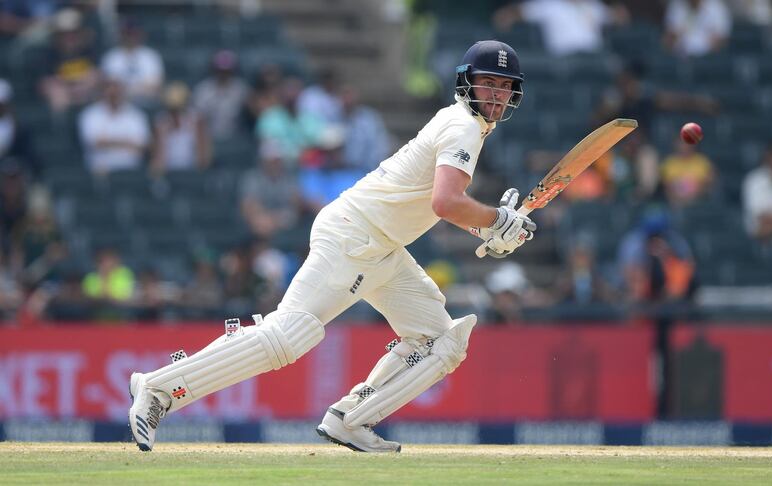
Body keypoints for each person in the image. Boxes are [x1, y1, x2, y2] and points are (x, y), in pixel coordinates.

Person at [128, 40, 536, 453]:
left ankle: (351, 420)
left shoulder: (464, 124)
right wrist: (497, 221)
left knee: (439, 340)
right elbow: (445, 203)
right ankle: (158, 388)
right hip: (354, 236)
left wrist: (488, 228)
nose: (498, 94)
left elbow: (428, 200)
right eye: (489, 83)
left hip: (383, 247)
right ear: (467, 83)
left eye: (505, 85)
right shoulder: (463, 125)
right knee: (289, 336)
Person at [492, 0, 629, 57]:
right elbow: (518, 12)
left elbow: (619, 18)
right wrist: (506, 16)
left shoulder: (593, 5)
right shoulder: (550, 4)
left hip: (592, 59)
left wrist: (619, 13)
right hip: (564, 60)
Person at [78, 77, 151, 177]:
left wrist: (108, 142)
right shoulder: (90, 114)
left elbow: (143, 145)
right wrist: (127, 142)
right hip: (100, 172)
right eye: (110, 90)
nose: (114, 94)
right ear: (103, 92)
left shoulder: (137, 115)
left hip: (132, 172)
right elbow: (94, 143)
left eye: (117, 90)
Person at [100, 19, 164, 108]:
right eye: (128, 33)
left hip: (145, 104)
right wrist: (137, 88)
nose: (131, 37)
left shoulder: (150, 56)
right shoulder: (111, 57)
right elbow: (110, 86)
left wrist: (126, 89)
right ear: (122, 34)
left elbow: (155, 86)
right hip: (116, 104)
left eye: (134, 33)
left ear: (140, 34)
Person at [663, 0, 731, 57]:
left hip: (709, 58)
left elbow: (722, 40)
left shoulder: (716, 7)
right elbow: (668, 39)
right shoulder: (676, 6)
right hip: (681, 57)